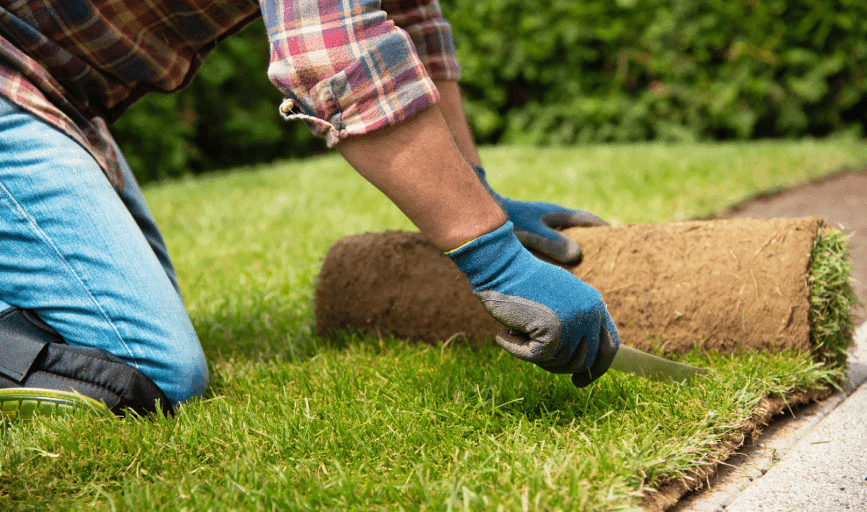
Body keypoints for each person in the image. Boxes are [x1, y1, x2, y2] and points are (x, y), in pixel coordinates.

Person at [0, 0, 619, 420]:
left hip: (54, 96)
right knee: (148, 368)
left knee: (91, 332)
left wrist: (481, 196)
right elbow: (332, 53)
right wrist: (497, 263)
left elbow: (408, 18)